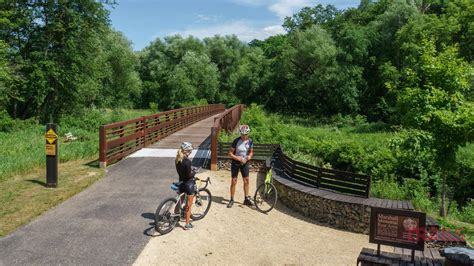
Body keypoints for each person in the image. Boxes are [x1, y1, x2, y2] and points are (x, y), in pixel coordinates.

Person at [227, 124, 254, 208]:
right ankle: (231, 199)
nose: (243, 136)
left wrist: (249, 157)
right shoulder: (236, 141)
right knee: (234, 181)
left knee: (246, 180)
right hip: (236, 162)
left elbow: (251, 152)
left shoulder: (250, 141)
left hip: (245, 162)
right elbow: (230, 154)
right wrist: (238, 158)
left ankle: (246, 199)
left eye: (245, 134)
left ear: (248, 134)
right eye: (242, 134)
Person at [175, 142, 196, 230]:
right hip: (188, 184)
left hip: (181, 182)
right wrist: (194, 172)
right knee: (188, 204)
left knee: (180, 200)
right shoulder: (187, 162)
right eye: (190, 151)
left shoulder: (177, 159)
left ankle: (176, 216)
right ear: (187, 151)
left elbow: (182, 174)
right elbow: (188, 175)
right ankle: (187, 223)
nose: (190, 153)